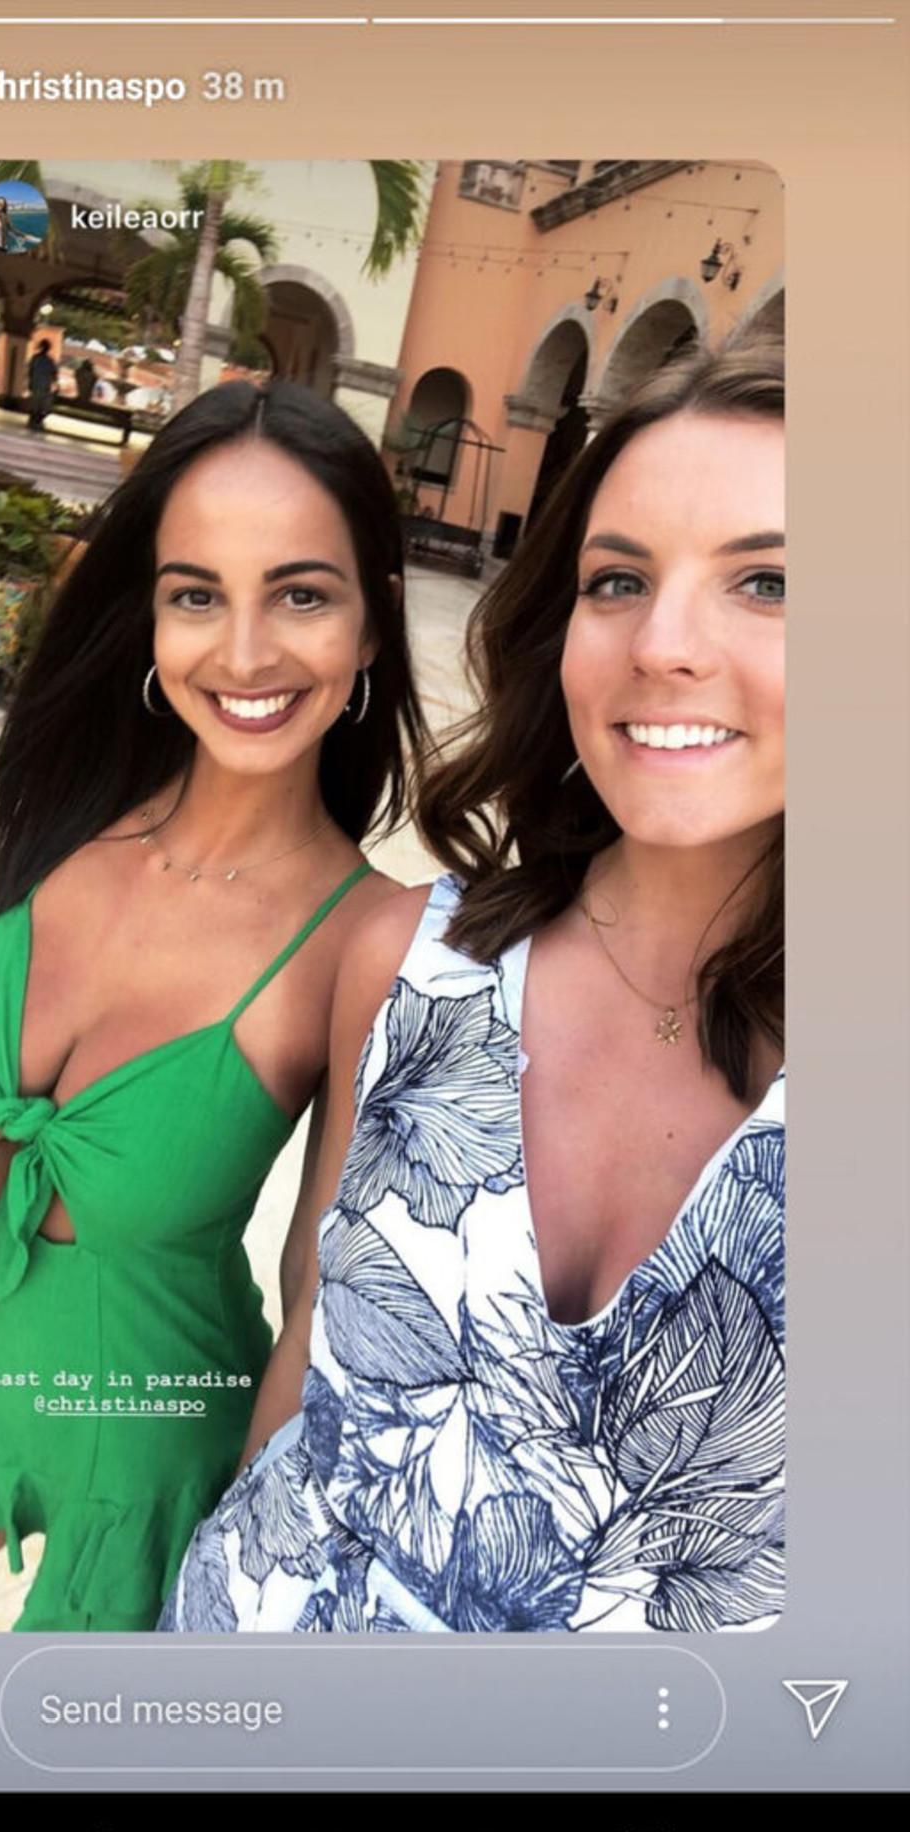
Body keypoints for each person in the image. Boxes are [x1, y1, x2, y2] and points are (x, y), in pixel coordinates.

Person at [160, 336, 786, 1636]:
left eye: (770, 581)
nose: (663, 643)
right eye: (618, 579)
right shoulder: (406, 959)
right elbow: (312, 1350)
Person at [0, 380, 426, 1630]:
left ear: (373, 625)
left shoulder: (363, 937)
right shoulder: (64, 812)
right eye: (197, 594)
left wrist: (239, 1574)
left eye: (302, 594)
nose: (245, 652)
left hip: (150, 1474)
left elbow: (318, 1288)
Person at [26, 338, 58, 429]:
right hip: (42, 385)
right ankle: (36, 420)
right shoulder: (48, 360)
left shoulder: (37, 358)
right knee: (40, 405)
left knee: (37, 404)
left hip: (39, 385)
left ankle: (35, 420)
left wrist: (30, 381)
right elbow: (54, 373)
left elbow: (30, 371)